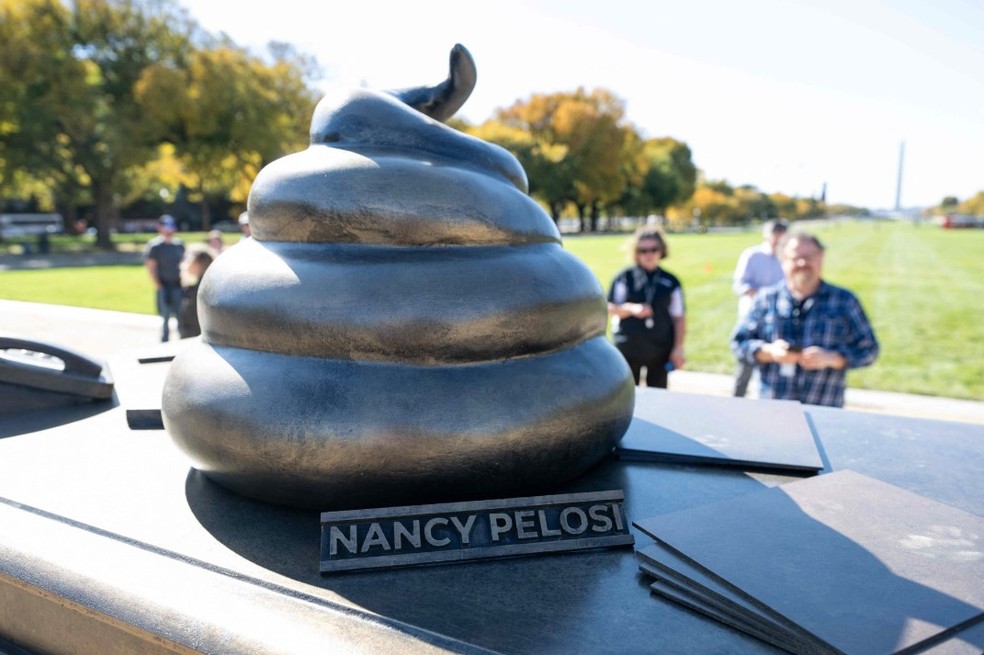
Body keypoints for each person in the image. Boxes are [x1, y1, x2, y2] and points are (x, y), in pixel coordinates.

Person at [731, 231, 879, 407]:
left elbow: (869, 349)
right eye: (795, 258)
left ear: (821, 258)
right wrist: (769, 352)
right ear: (783, 261)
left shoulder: (844, 301)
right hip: (772, 410)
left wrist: (833, 358)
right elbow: (739, 344)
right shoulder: (765, 299)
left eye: (809, 257)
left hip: (824, 409)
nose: (803, 263)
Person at [607, 228, 686, 388]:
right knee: (626, 393)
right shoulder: (625, 277)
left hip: (659, 349)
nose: (648, 254)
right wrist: (630, 309)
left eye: (653, 249)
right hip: (628, 347)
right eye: (643, 250)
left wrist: (678, 348)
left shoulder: (670, 281)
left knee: (657, 396)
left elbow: (679, 317)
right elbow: (610, 308)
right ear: (636, 252)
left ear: (661, 251)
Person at [731, 219, 788, 396]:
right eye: (775, 237)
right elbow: (740, 285)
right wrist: (765, 297)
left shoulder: (787, 258)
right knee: (746, 363)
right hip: (753, 318)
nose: (777, 242)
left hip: (779, 321)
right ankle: (737, 399)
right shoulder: (752, 255)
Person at [143, 215, 185, 342]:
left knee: (180, 313)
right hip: (163, 285)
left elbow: (184, 263)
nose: (169, 230)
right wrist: (158, 285)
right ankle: (165, 339)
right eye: (166, 226)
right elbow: (151, 266)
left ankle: (182, 337)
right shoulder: (155, 246)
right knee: (165, 314)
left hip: (177, 284)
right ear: (160, 228)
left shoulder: (179, 244)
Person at [177, 245, 214, 339]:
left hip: (195, 338)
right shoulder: (211, 285)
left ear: (197, 264)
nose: (186, 264)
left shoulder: (196, 290)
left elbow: (190, 320)